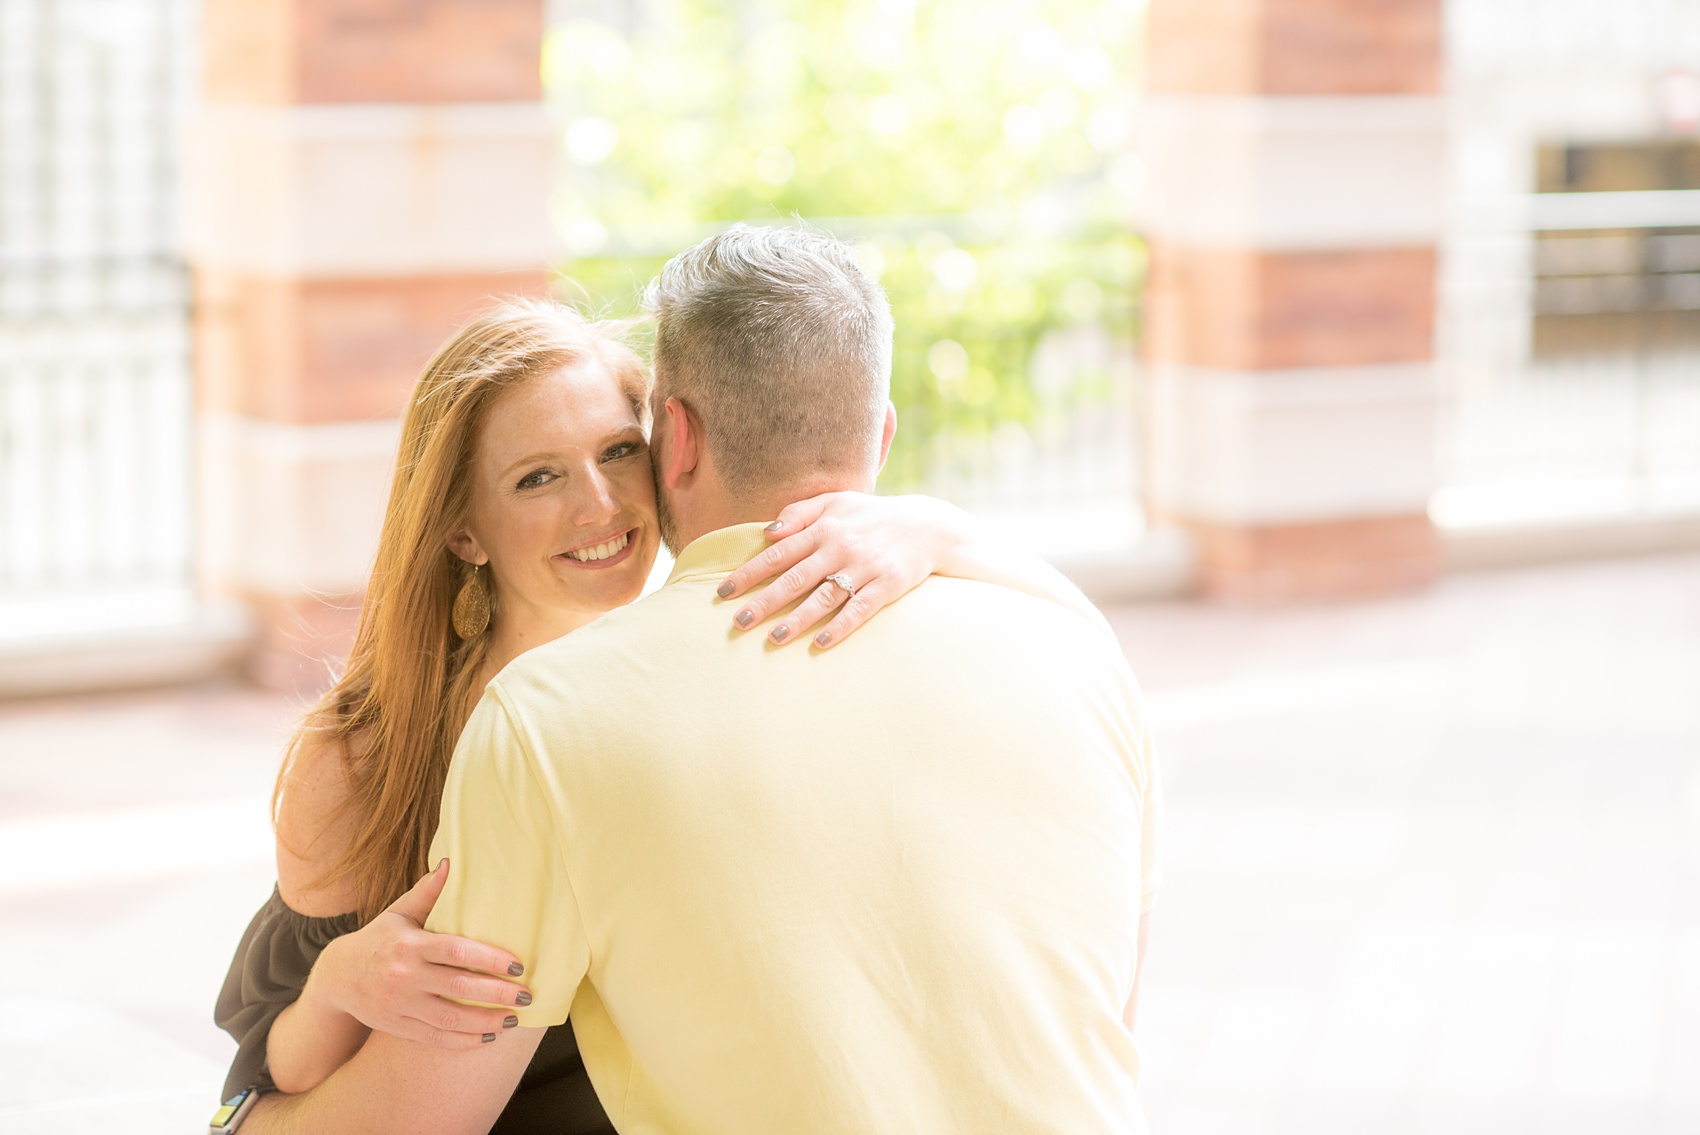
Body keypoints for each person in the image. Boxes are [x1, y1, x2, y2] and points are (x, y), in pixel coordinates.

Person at [230, 223, 1161, 1135]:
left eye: (616, 451)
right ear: (461, 529)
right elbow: (286, 1068)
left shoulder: (605, 706)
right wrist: (331, 991)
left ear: (668, 443)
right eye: (535, 478)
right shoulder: (444, 744)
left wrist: (950, 533)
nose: (598, 506)